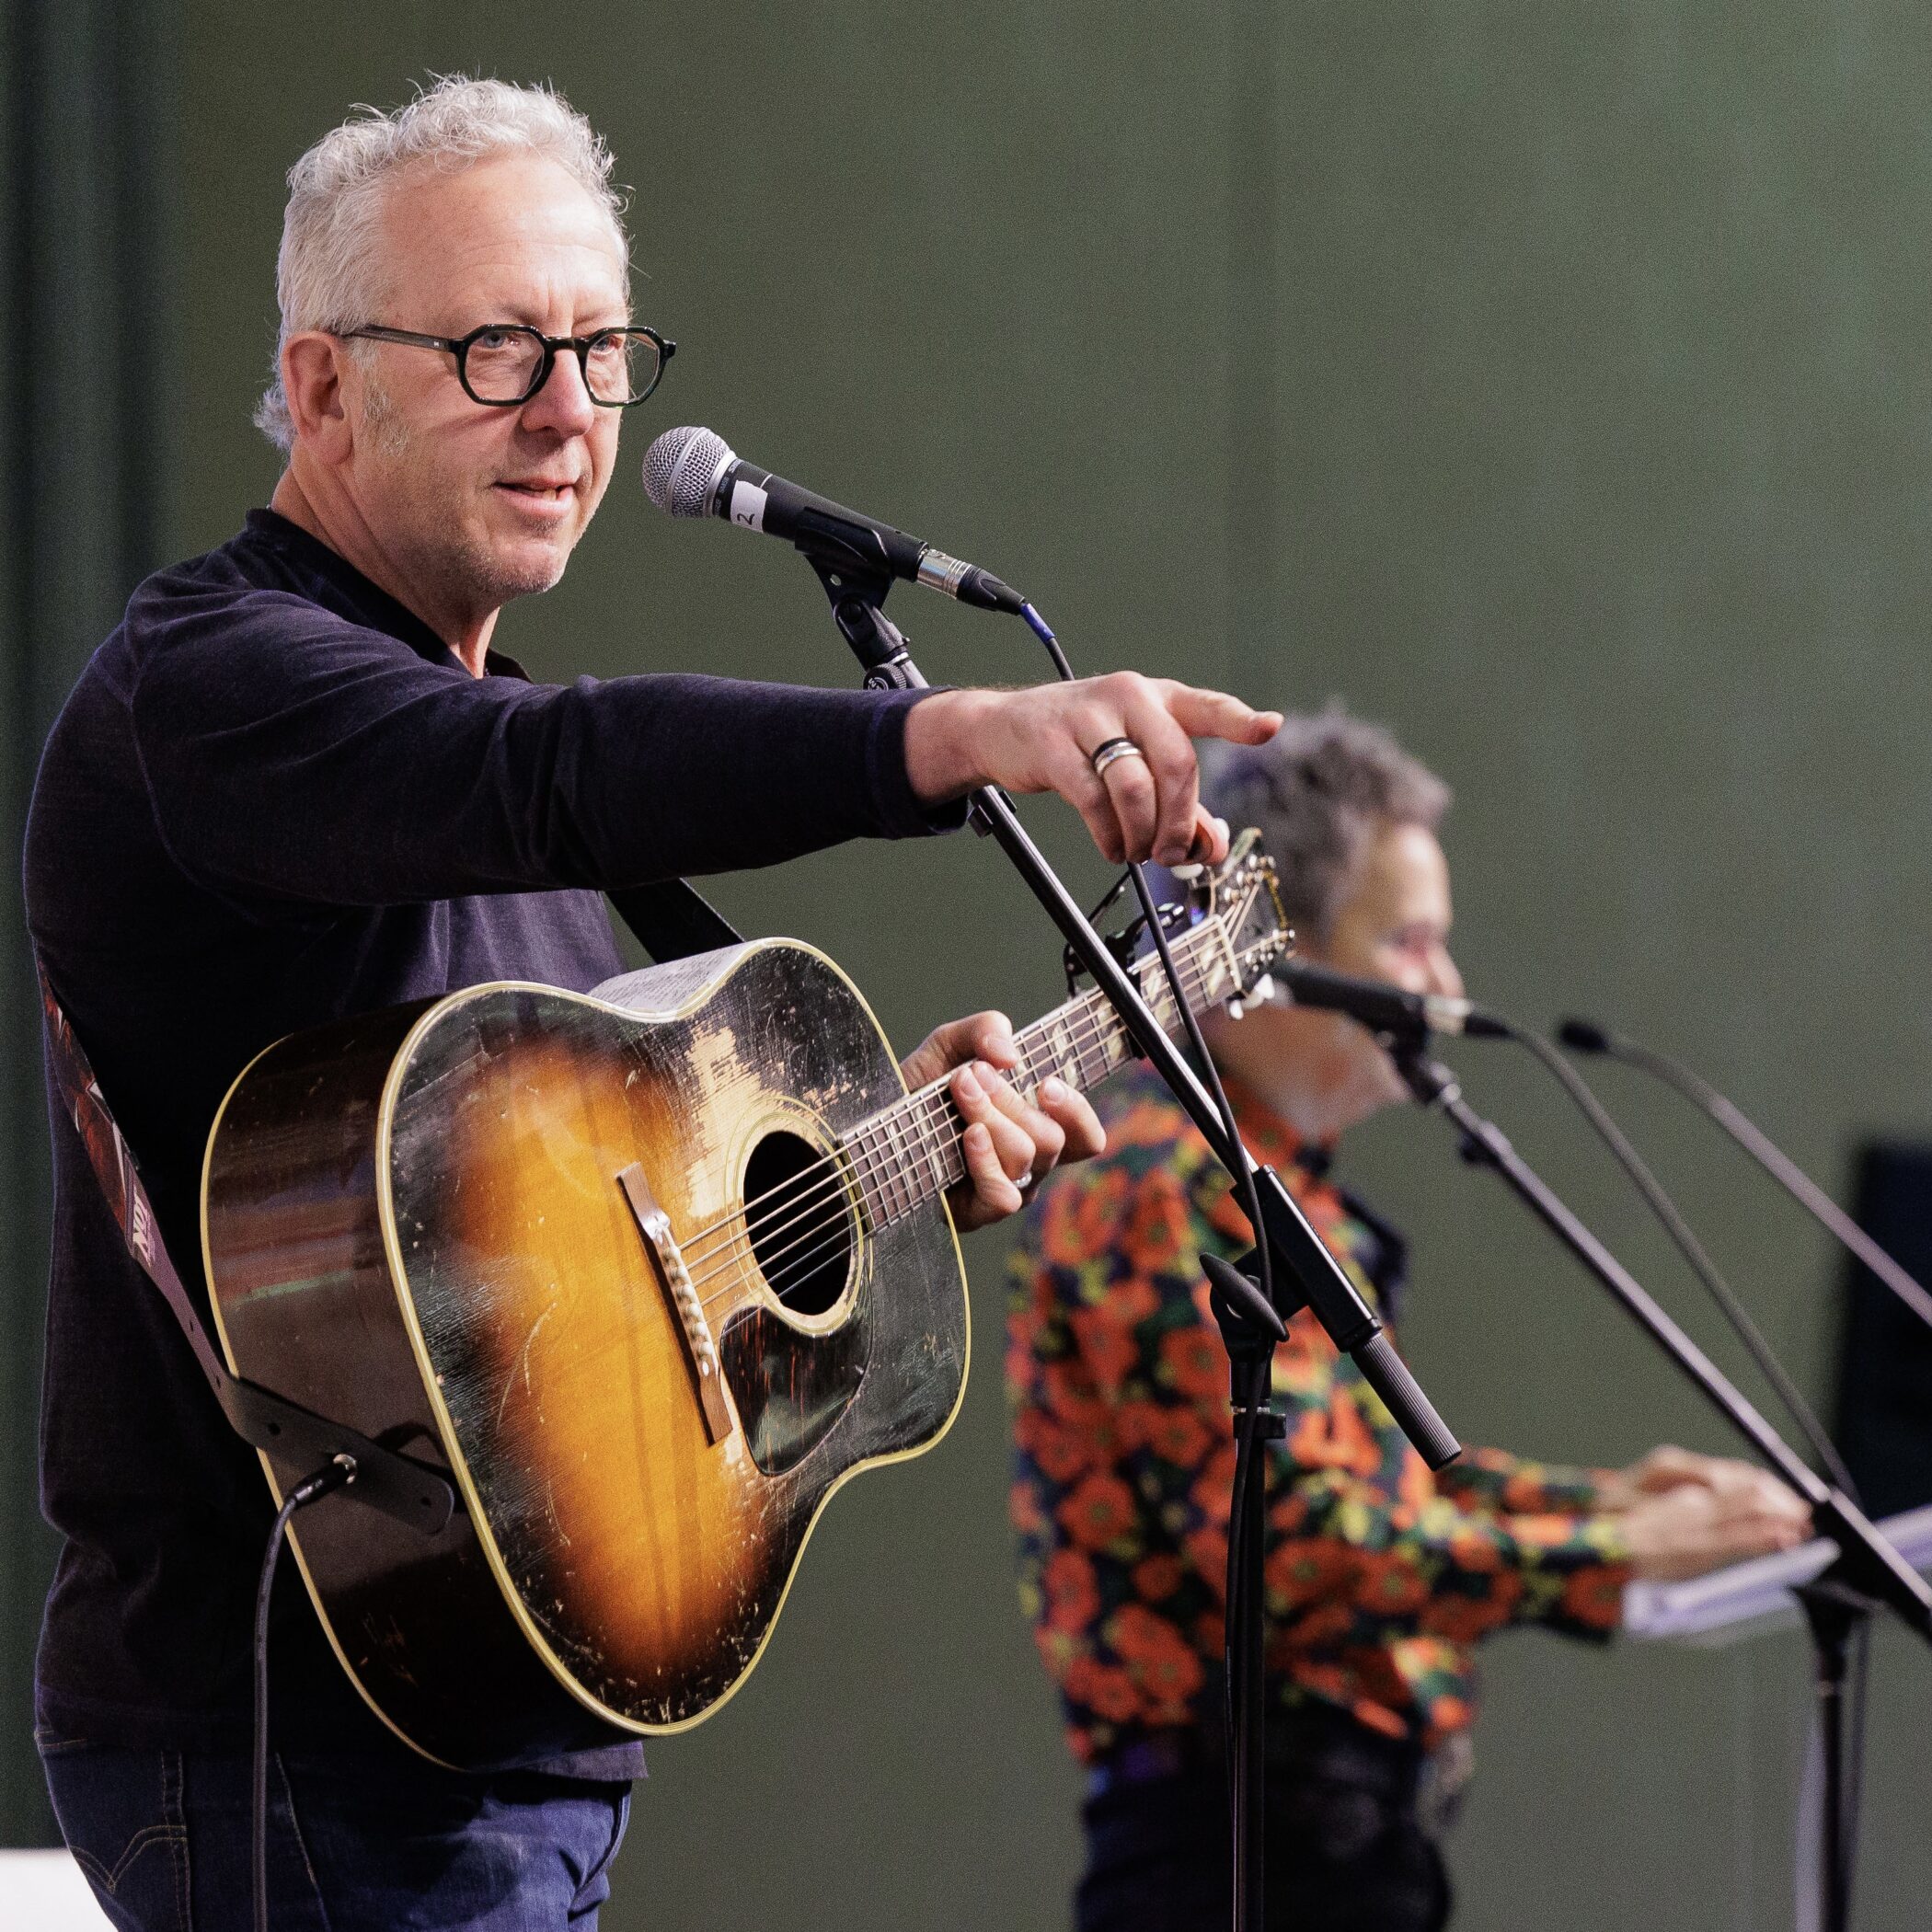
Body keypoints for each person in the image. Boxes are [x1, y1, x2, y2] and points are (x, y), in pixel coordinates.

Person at [23, 76, 1284, 1932]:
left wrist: (893, 1154)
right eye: (495, 347)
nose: (569, 409)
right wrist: (960, 733)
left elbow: (584, 1292)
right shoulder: (216, 689)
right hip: (295, 1741)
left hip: (488, 1740)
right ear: (319, 390)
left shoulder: (506, 779)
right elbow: (553, 769)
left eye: (605, 354)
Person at [1006, 710, 1811, 1932]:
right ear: (1267, 952)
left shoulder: (1265, 1181)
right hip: (1234, 1855)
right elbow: (1312, 1551)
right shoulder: (1149, 1189)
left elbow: (1378, 1505)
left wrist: (1617, 1502)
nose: (1447, 987)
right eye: (1413, 942)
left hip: (1338, 1844)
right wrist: (1621, 1553)